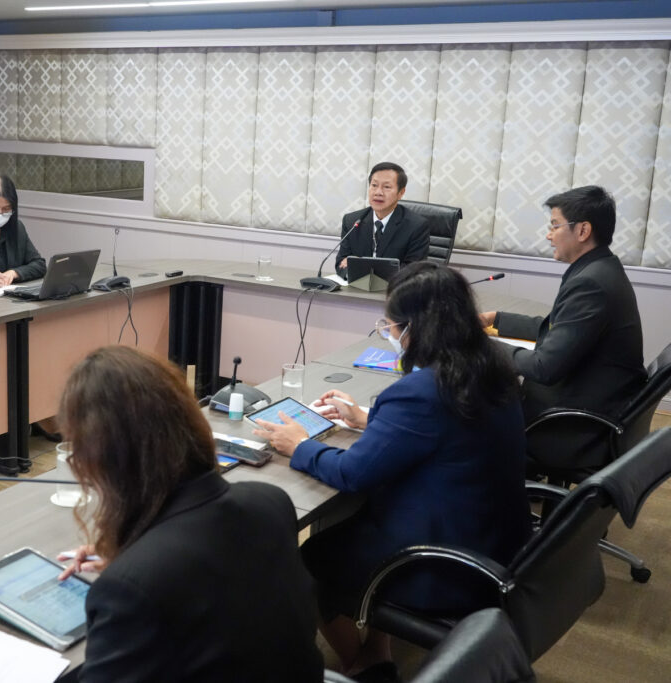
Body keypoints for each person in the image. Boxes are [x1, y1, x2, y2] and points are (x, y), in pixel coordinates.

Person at [254, 262, 530, 683]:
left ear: (415, 328)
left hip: (442, 559)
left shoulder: (422, 391)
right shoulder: (489, 365)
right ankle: (376, 646)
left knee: (308, 561)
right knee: (357, 518)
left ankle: (363, 666)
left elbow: (352, 473)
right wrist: (368, 419)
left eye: (390, 325)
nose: (389, 332)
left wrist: (299, 445)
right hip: (496, 542)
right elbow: (446, 431)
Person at [54, 346, 324, 683]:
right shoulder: (269, 501)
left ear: (102, 458)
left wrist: (133, 567)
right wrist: (133, 552)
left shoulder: (129, 588)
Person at [480, 186, 646, 432]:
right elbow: (559, 328)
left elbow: (543, 368)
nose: (549, 236)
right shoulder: (601, 268)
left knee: (476, 414)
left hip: (575, 422)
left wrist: (479, 345)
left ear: (583, 231)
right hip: (587, 399)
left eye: (555, 226)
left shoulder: (591, 283)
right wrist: (496, 319)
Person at [335, 162, 430, 279]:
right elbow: (341, 263)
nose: (378, 192)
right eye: (374, 185)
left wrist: (362, 267)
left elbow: (414, 271)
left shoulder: (416, 226)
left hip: (395, 289)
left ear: (401, 193)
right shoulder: (352, 221)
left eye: (387, 187)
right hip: (357, 286)